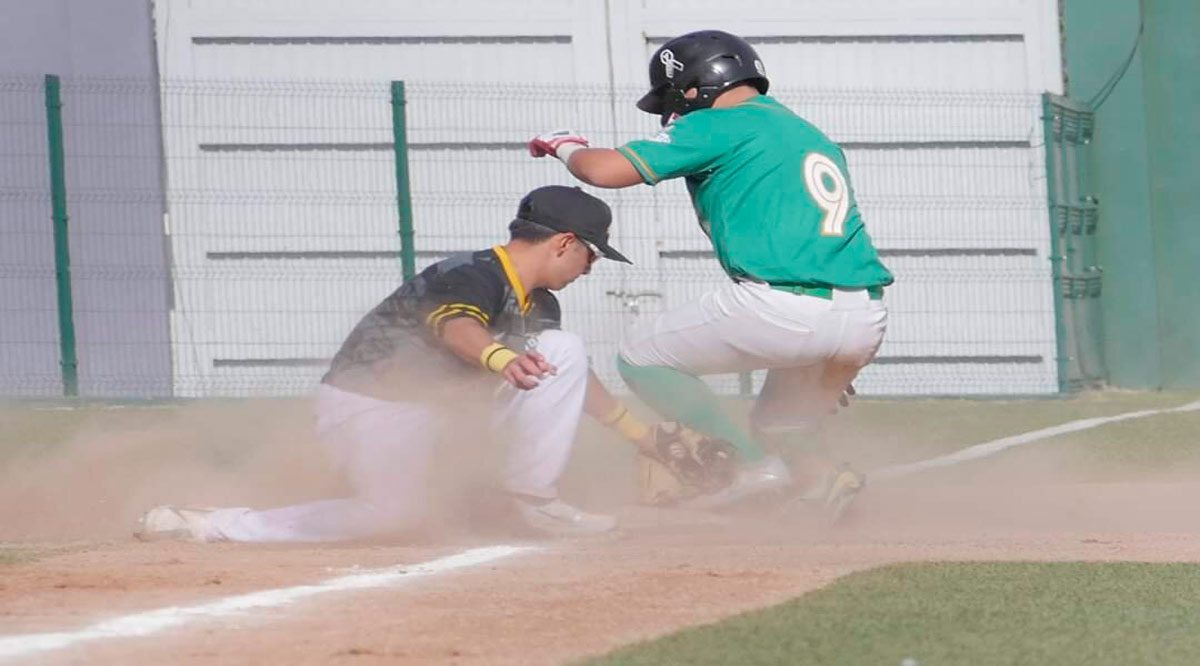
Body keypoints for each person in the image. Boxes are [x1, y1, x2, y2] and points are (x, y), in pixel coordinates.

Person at [136, 186, 718, 542]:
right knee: (393, 515)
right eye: (591, 255)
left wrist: (641, 435)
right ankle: (213, 525)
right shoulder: (471, 273)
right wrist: (498, 357)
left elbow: (564, 375)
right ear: (564, 243)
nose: (590, 268)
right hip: (372, 406)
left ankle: (530, 499)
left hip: (438, 416)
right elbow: (453, 325)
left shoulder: (539, 300)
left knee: (562, 351)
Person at [529, 30, 893, 516]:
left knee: (640, 355)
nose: (673, 108)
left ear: (696, 86)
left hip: (783, 306)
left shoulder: (723, 123)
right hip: (864, 317)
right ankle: (824, 481)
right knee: (777, 421)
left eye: (673, 95)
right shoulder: (806, 131)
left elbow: (605, 171)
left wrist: (565, 146)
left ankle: (749, 467)